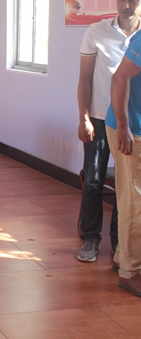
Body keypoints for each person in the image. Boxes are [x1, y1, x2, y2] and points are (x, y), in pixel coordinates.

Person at [76, 0, 141, 263]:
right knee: (93, 179)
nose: (126, 5)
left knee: (125, 186)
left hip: (129, 122)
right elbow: (84, 78)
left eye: (133, 0)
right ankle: (90, 238)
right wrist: (84, 118)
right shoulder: (97, 31)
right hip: (101, 119)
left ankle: (119, 245)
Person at [105, 30, 141, 297]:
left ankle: (122, 257)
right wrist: (124, 126)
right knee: (135, 202)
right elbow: (119, 77)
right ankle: (130, 272)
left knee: (132, 197)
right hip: (129, 130)